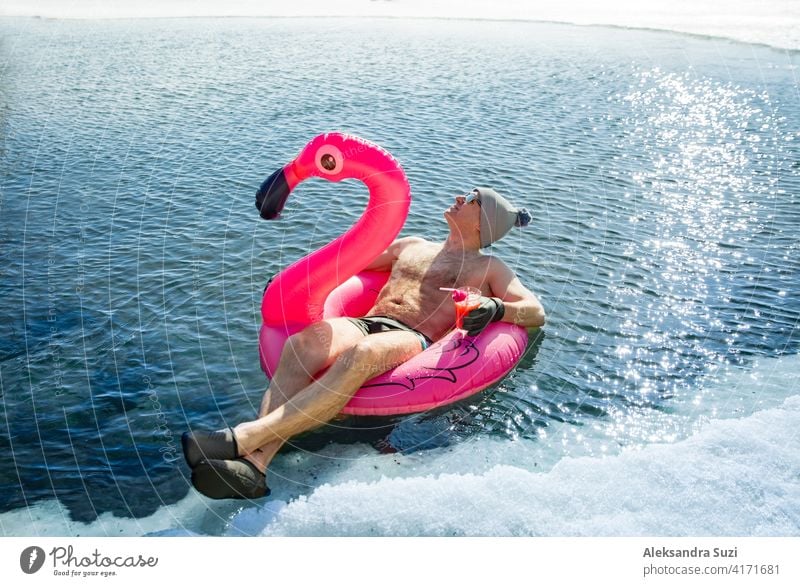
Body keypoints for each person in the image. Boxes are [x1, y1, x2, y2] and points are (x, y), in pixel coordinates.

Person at [182, 187, 546, 499]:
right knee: (301, 345)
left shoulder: (491, 268)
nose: (457, 198)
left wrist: (496, 308)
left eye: (470, 199)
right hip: (365, 320)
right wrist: (290, 283)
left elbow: (534, 311)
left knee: (363, 355)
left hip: (413, 338)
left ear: (484, 222)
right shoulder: (412, 245)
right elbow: (344, 264)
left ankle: (243, 438)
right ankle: (255, 465)